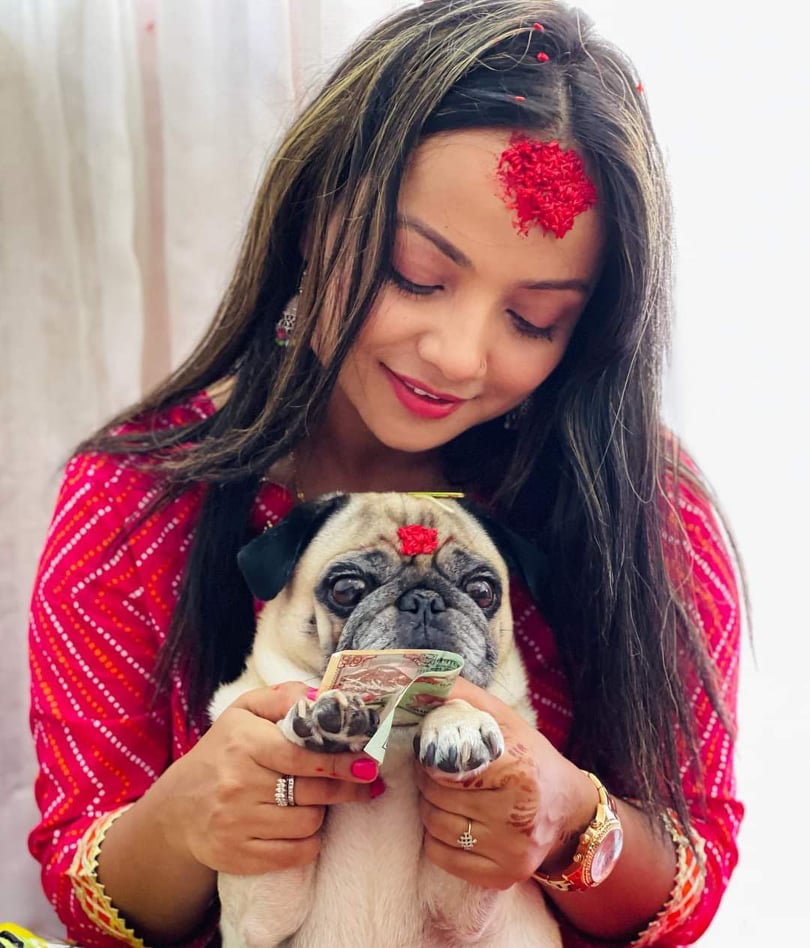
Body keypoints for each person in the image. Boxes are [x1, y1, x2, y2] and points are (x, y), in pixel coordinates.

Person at [27, 2, 744, 946]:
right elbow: (85, 884)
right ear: (313, 214)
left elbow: (693, 872)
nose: (456, 354)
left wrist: (571, 820)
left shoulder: (642, 509)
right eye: (416, 273)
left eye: (533, 320)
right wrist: (192, 817)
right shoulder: (140, 499)